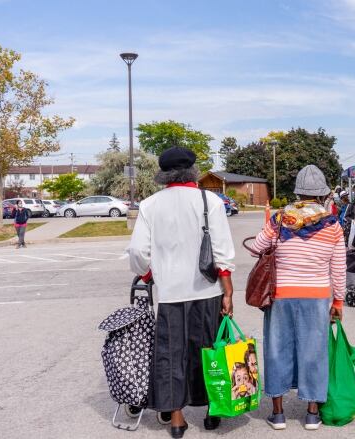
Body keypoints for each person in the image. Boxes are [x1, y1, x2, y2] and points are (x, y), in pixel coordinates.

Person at [128, 146, 236, 438]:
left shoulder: (150, 204)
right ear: (193, 171)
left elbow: (138, 251)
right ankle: (213, 411)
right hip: (207, 290)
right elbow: (222, 251)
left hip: (170, 295)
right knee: (210, 352)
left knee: (171, 355)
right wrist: (228, 292)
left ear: (163, 173)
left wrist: (150, 273)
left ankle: (176, 419)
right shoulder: (209, 201)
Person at [249, 164, 345, 432]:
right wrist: (338, 301)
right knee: (314, 350)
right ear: (323, 194)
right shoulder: (333, 225)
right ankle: (312, 414)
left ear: (298, 192)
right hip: (316, 297)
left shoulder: (280, 220)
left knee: (277, 348)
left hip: (280, 295)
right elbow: (338, 268)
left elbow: (256, 247)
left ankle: (278, 414)